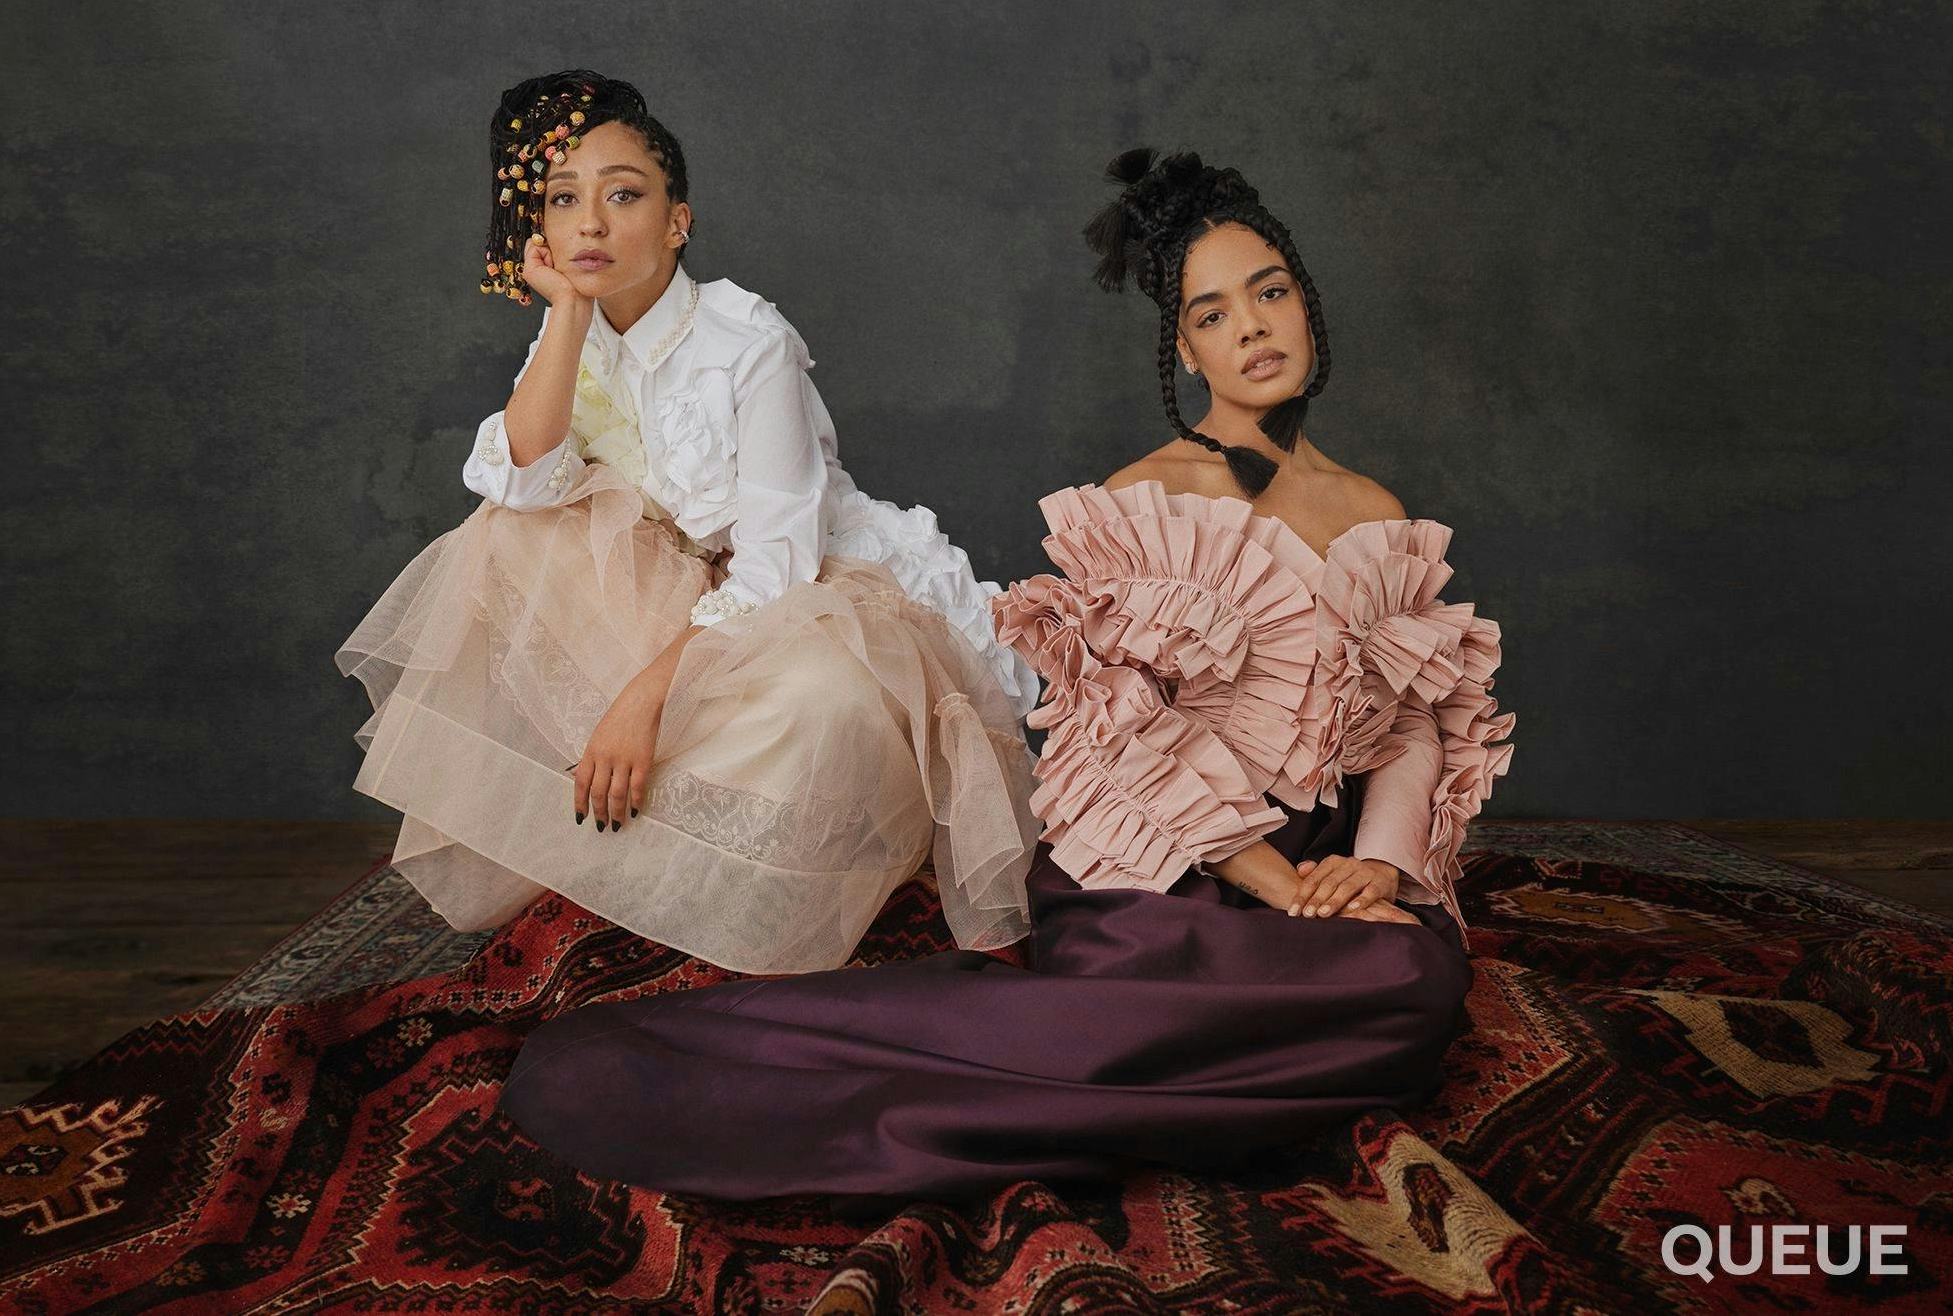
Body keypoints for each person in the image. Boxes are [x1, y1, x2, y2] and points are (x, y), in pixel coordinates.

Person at [499, 148, 1516, 1203]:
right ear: (1184, 348)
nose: (1252, 328)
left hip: (1321, 861)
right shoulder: (1137, 503)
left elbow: (1409, 725)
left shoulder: (1376, 511)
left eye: (1268, 293)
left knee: (1417, 977)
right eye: (1213, 314)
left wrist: (1380, 873)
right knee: (1214, 983)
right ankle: (912, 1082)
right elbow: (1115, 743)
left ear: (1303, 302)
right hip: (1160, 864)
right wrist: (1280, 887)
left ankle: (1137, 1072)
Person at [337, 71, 1041, 975]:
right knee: (503, 538)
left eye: (622, 194)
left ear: (678, 220)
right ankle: (636, 861)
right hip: (684, 585)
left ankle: (770, 886)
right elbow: (517, 478)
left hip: (806, 590)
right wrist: (564, 313)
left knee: (819, 703)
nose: (589, 222)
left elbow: (780, 567)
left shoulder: (748, 342)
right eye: (563, 200)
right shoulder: (576, 334)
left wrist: (641, 697)